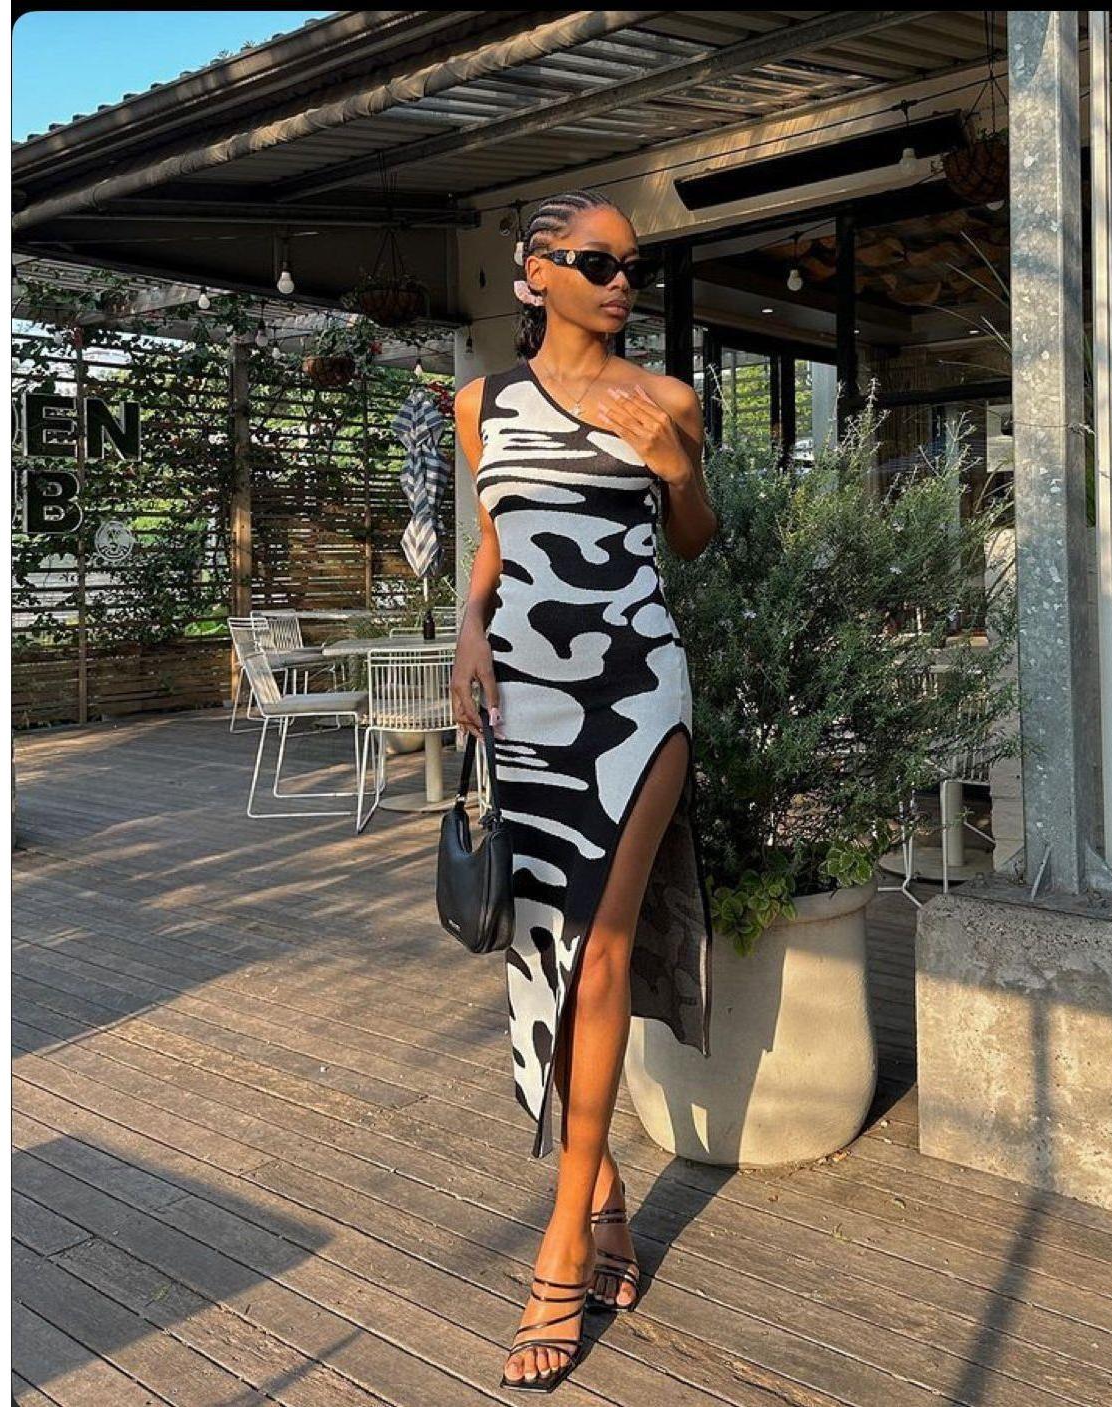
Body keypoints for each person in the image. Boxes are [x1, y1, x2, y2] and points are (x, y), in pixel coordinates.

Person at [450, 189, 719, 1391]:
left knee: (602, 949)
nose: (622, 283)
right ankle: (602, 1188)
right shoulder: (481, 405)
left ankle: (561, 1243)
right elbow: (495, 541)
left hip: (634, 691)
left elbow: (695, 538)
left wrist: (672, 467)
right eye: (597, 262)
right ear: (534, 275)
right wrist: (468, 632)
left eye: (631, 267)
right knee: (541, 944)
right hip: (523, 699)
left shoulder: (668, 400)